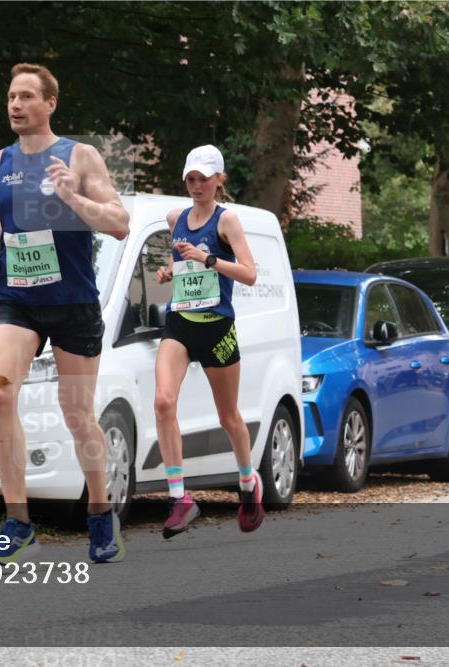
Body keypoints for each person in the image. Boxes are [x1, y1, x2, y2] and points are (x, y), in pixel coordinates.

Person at [0, 63, 130, 564]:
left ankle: (101, 513)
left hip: (72, 303)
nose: (15, 105)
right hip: (16, 298)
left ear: (49, 103)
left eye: (26, 97)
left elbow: (120, 224)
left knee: (78, 415)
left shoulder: (80, 156)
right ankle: (18, 522)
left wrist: (73, 197)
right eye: (10, 97)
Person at [153, 144, 262, 538]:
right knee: (163, 401)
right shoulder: (175, 218)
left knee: (228, 417)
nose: (197, 186)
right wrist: (170, 272)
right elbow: (181, 265)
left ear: (219, 180)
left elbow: (250, 274)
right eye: (191, 179)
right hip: (180, 322)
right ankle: (179, 498)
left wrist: (207, 259)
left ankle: (248, 482)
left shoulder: (226, 221)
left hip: (217, 327)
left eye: (204, 178)